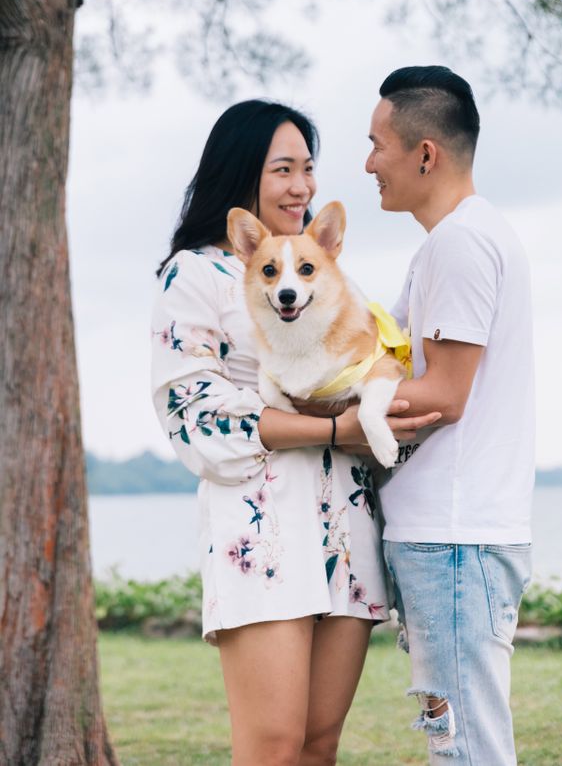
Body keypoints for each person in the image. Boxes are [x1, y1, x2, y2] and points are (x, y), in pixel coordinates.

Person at [150, 98, 439, 766]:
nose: (301, 186)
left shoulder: (321, 270)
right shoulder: (194, 274)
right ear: (242, 173)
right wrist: (336, 431)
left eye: (307, 168)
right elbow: (197, 415)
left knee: (317, 746)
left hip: (347, 529)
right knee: (273, 748)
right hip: (264, 533)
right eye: (283, 169)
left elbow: (374, 365)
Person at [365, 67, 535, 765]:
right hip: (449, 541)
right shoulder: (459, 239)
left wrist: (337, 413)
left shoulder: (460, 243)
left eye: (377, 144)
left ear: (425, 153)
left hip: (455, 540)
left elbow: (445, 393)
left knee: (465, 749)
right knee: (455, 741)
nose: (368, 162)